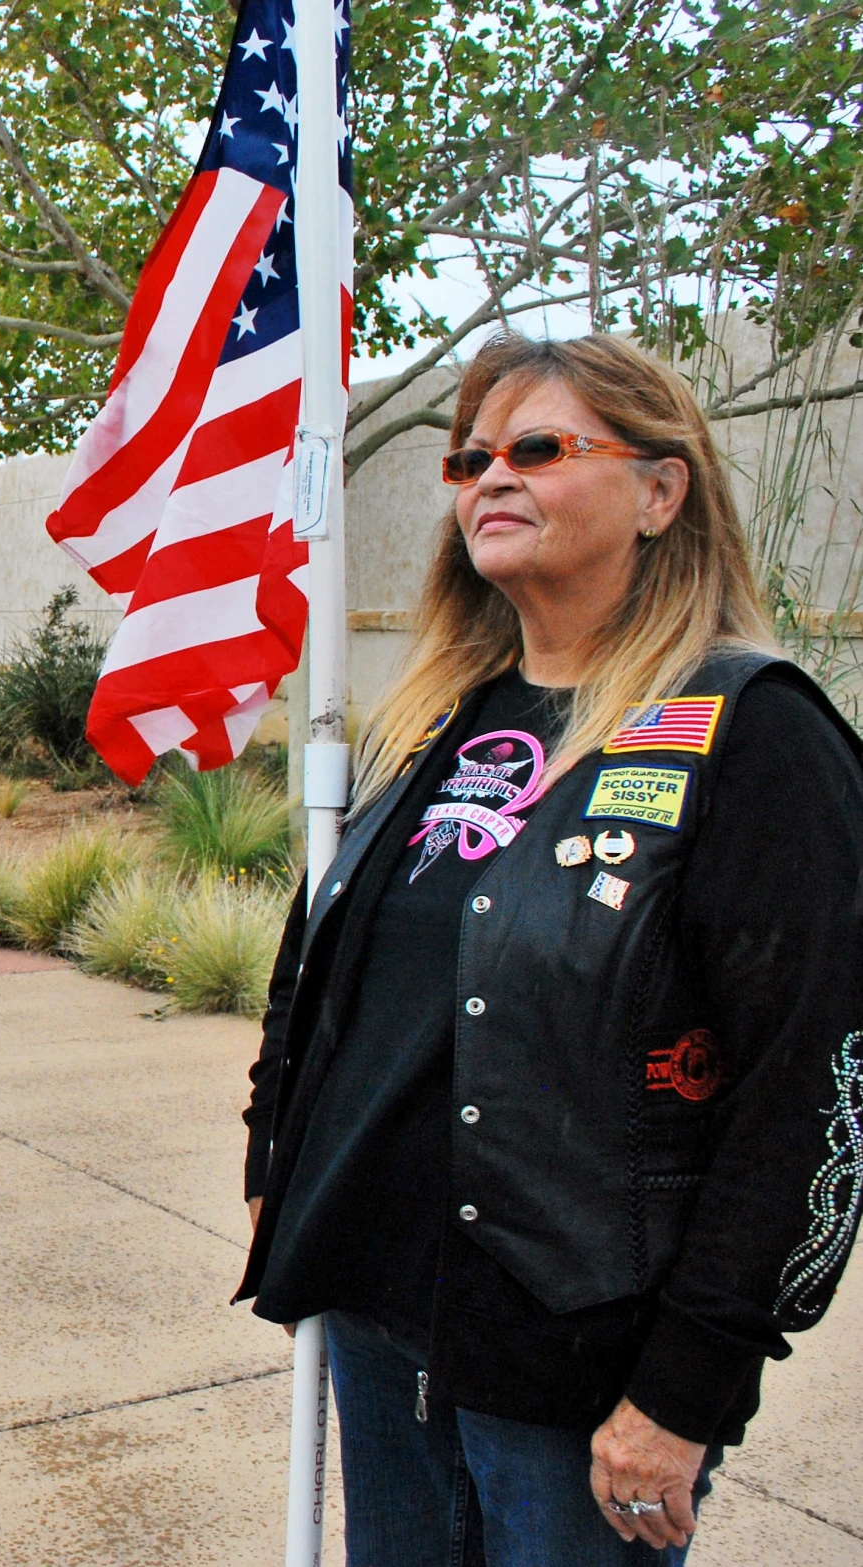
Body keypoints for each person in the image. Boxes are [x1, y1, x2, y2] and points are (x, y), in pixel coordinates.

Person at [239, 332, 863, 1565]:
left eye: (539, 449)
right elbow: (319, 968)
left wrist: (687, 1390)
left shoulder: (756, 734)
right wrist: (277, 1150)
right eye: (469, 459)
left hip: (574, 1366)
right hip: (380, 1320)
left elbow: (809, 1095)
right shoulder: (434, 719)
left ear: (658, 491)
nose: (489, 480)